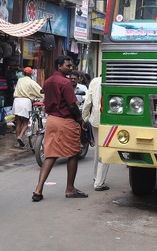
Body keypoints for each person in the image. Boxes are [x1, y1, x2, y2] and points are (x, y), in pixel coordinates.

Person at [31, 55, 88, 201]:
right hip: (65, 120)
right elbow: (71, 104)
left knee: (51, 155)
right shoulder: (65, 82)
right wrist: (80, 117)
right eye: (68, 66)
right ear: (59, 66)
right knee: (73, 153)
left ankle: (38, 189)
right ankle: (70, 189)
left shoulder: (48, 81)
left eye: (71, 66)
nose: (71, 68)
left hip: (51, 120)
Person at [82, 73, 109, 191]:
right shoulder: (112, 80)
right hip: (108, 121)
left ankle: (95, 177)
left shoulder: (95, 81)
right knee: (105, 150)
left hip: (95, 120)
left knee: (98, 149)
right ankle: (99, 182)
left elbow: (88, 102)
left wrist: (84, 118)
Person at [13, 66, 44, 146]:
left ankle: (18, 142)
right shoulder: (31, 82)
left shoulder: (19, 80)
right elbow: (41, 91)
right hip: (25, 101)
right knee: (26, 121)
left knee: (18, 122)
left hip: (16, 101)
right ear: (31, 74)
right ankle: (20, 136)